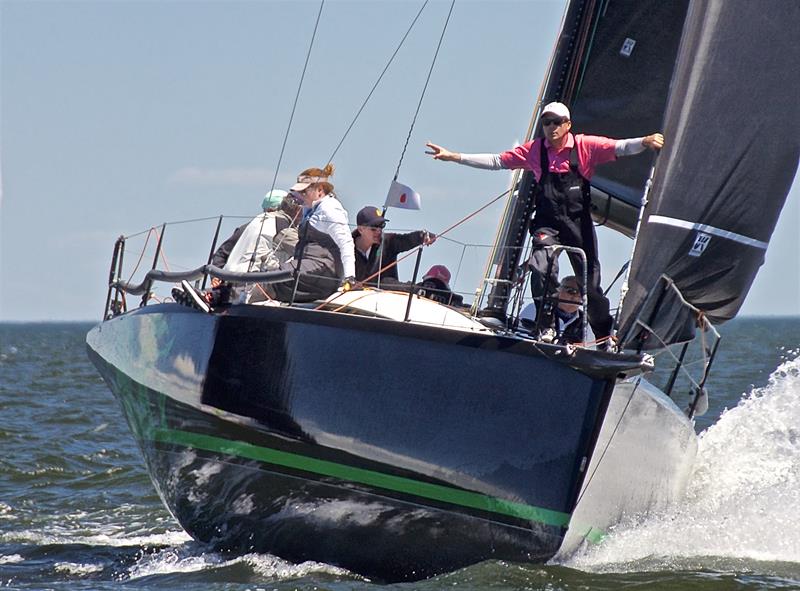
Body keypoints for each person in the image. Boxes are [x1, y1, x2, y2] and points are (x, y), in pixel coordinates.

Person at [426, 101, 663, 345]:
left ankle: (604, 336)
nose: (551, 127)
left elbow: (619, 147)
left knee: (590, 284)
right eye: (546, 122)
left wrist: (645, 141)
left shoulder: (584, 146)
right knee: (542, 266)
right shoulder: (535, 150)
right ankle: (546, 324)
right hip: (547, 222)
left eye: (557, 122)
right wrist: (454, 157)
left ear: (568, 125)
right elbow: (498, 161)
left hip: (577, 223)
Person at [255, 163, 356, 303]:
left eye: (304, 192)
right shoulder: (309, 209)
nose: (300, 196)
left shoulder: (330, 210)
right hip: (308, 268)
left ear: (320, 190)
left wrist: (350, 277)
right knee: (268, 275)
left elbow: (346, 243)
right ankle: (229, 293)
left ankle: (234, 298)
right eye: (299, 192)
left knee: (271, 279)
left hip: (323, 271)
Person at [352, 205, 436, 285]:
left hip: (386, 296)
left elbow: (406, 240)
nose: (379, 231)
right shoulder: (345, 248)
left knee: (386, 282)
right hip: (353, 296)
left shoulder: (388, 242)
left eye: (381, 226)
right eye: (374, 228)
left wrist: (422, 236)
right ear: (360, 229)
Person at [519, 275, 585, 345]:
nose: (576, 296)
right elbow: (518, 338)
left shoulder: (586, 322)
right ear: (560, 290)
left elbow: (590, 351)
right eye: (572, 291)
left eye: (581, 293)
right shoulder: (535, 308)